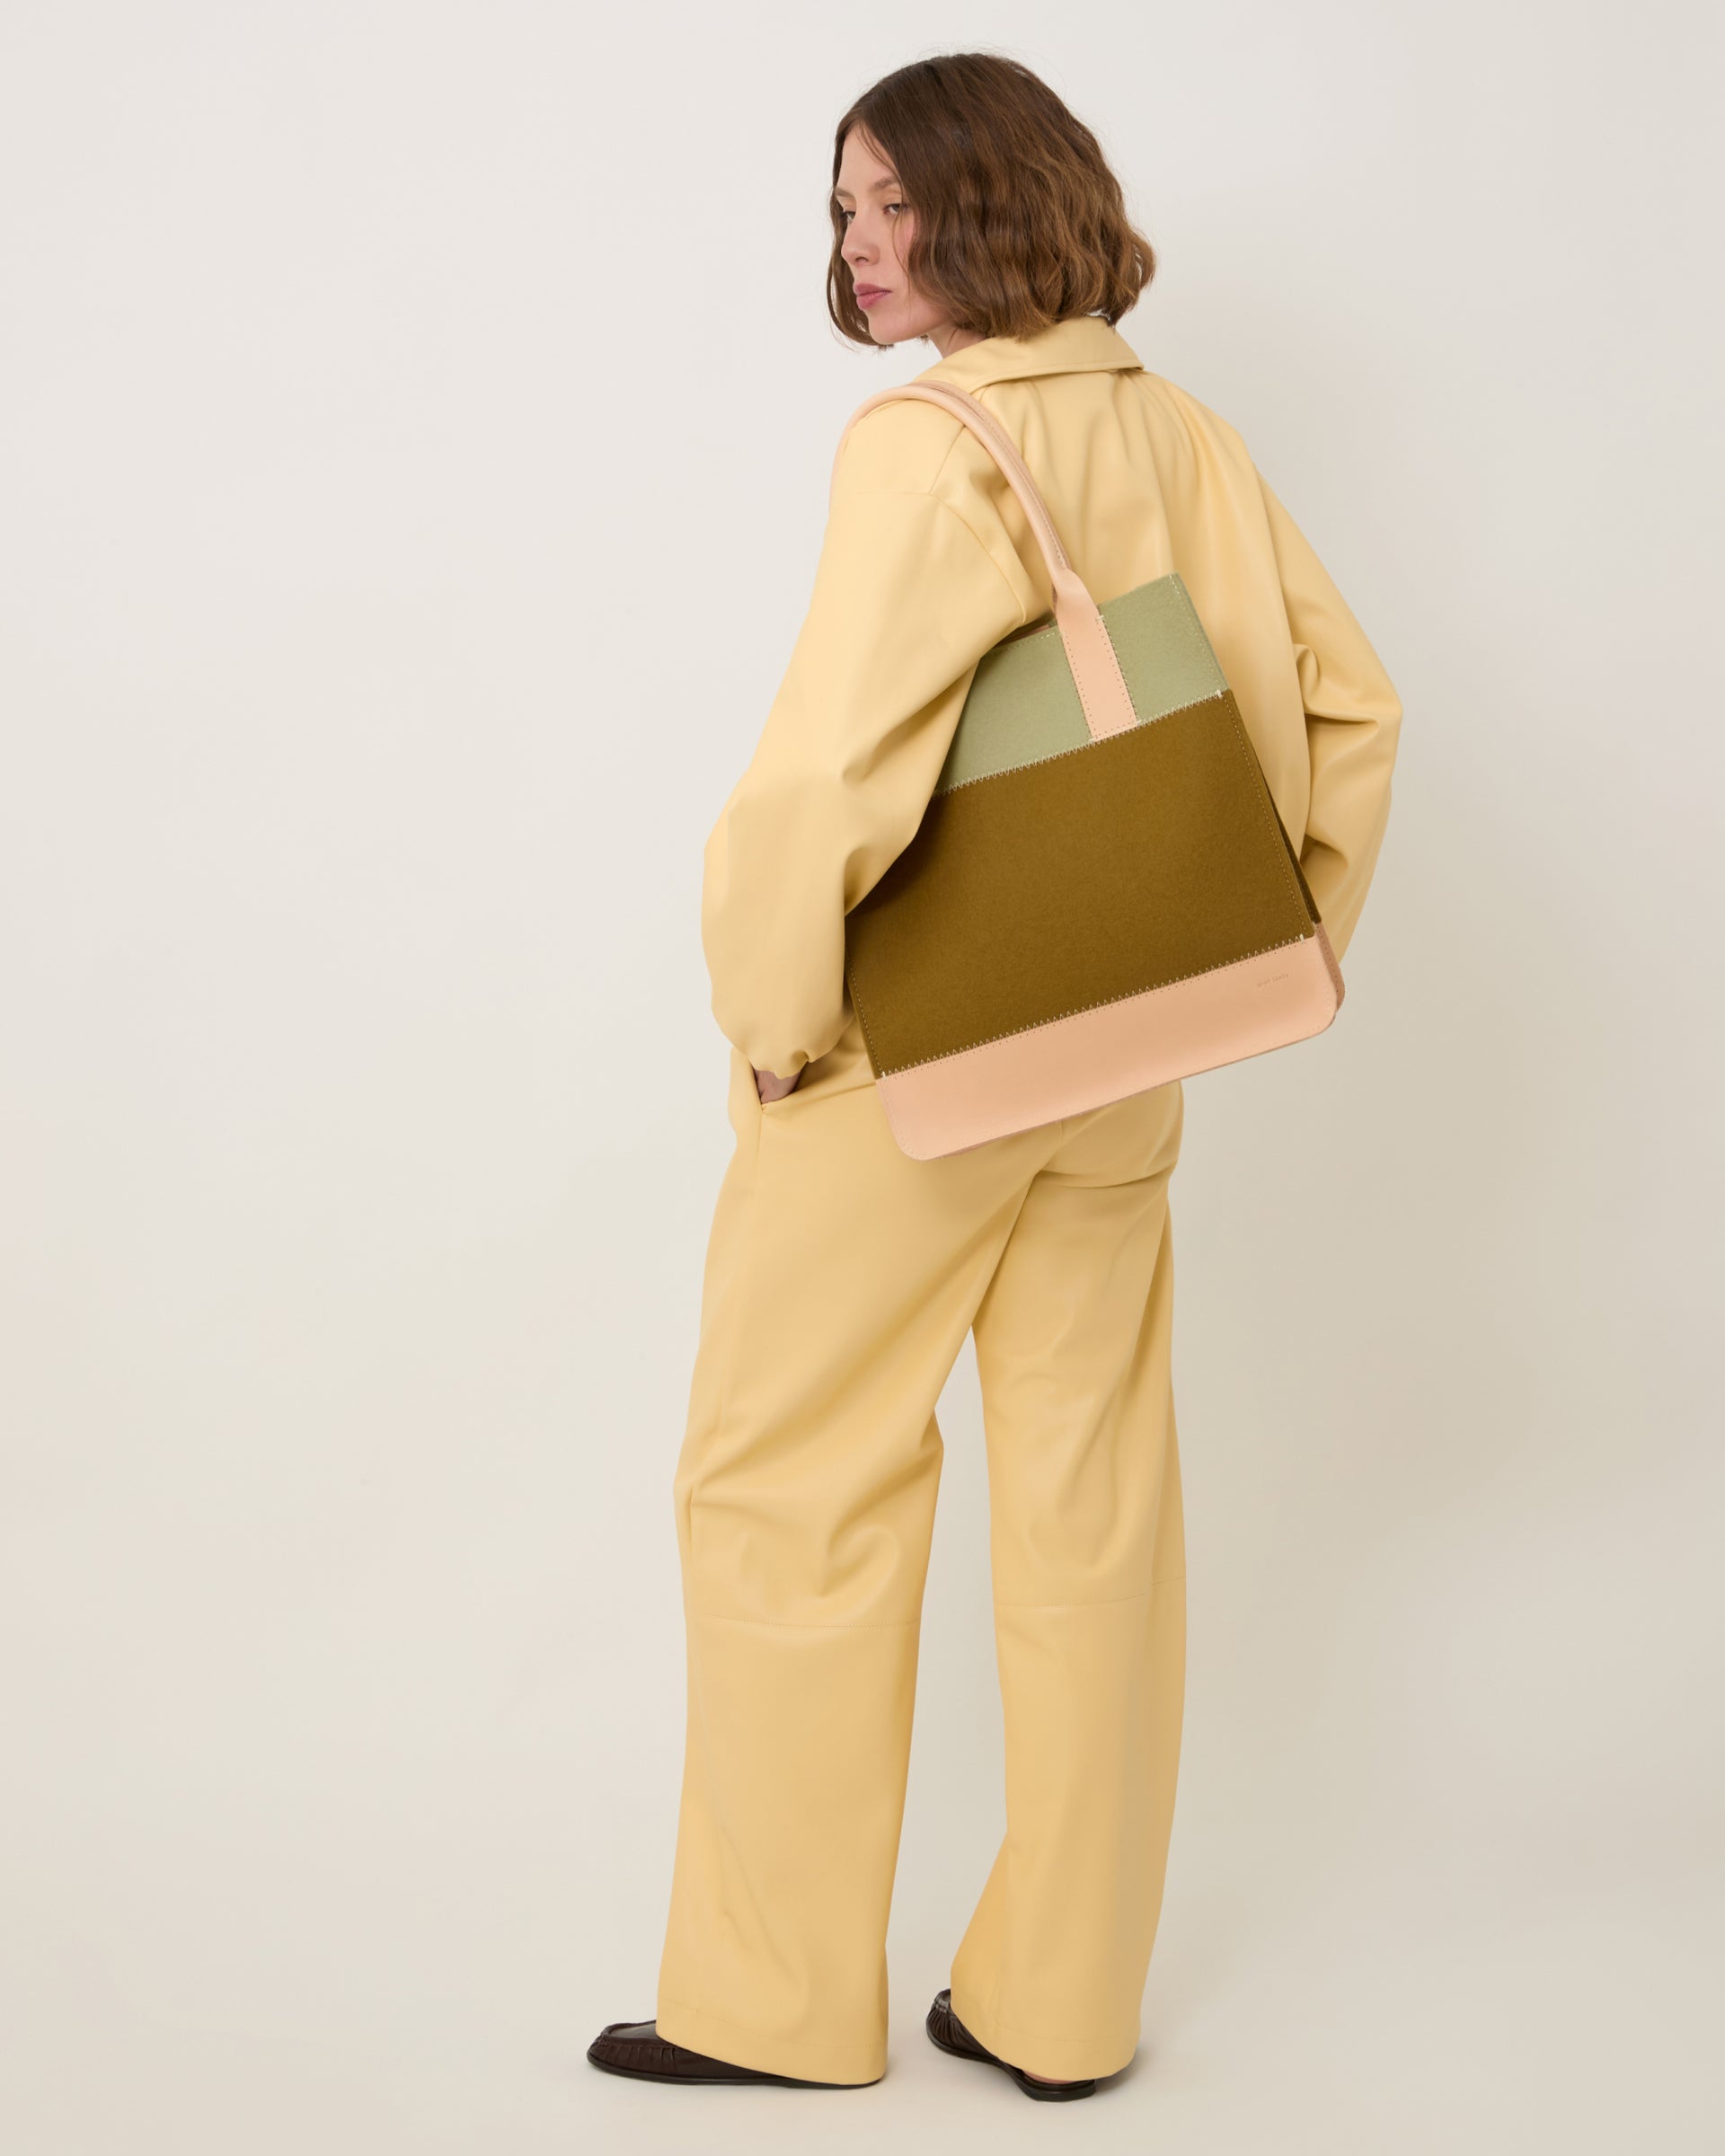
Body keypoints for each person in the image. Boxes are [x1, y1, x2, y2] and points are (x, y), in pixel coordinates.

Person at [588, 50, 1402, 2102]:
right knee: (1093, 1507)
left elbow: (828, 778)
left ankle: (772, 2006)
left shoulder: (928, 444)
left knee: (787, 1488)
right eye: (844, 207)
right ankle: (1061, 2003)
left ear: (994, 199)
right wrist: (1262, 942)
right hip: (1125, 1044)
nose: (861, 245)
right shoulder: (1181, 428)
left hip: (906, 1062)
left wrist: (775, 1019)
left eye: (897, 204)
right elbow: (1353, 704)